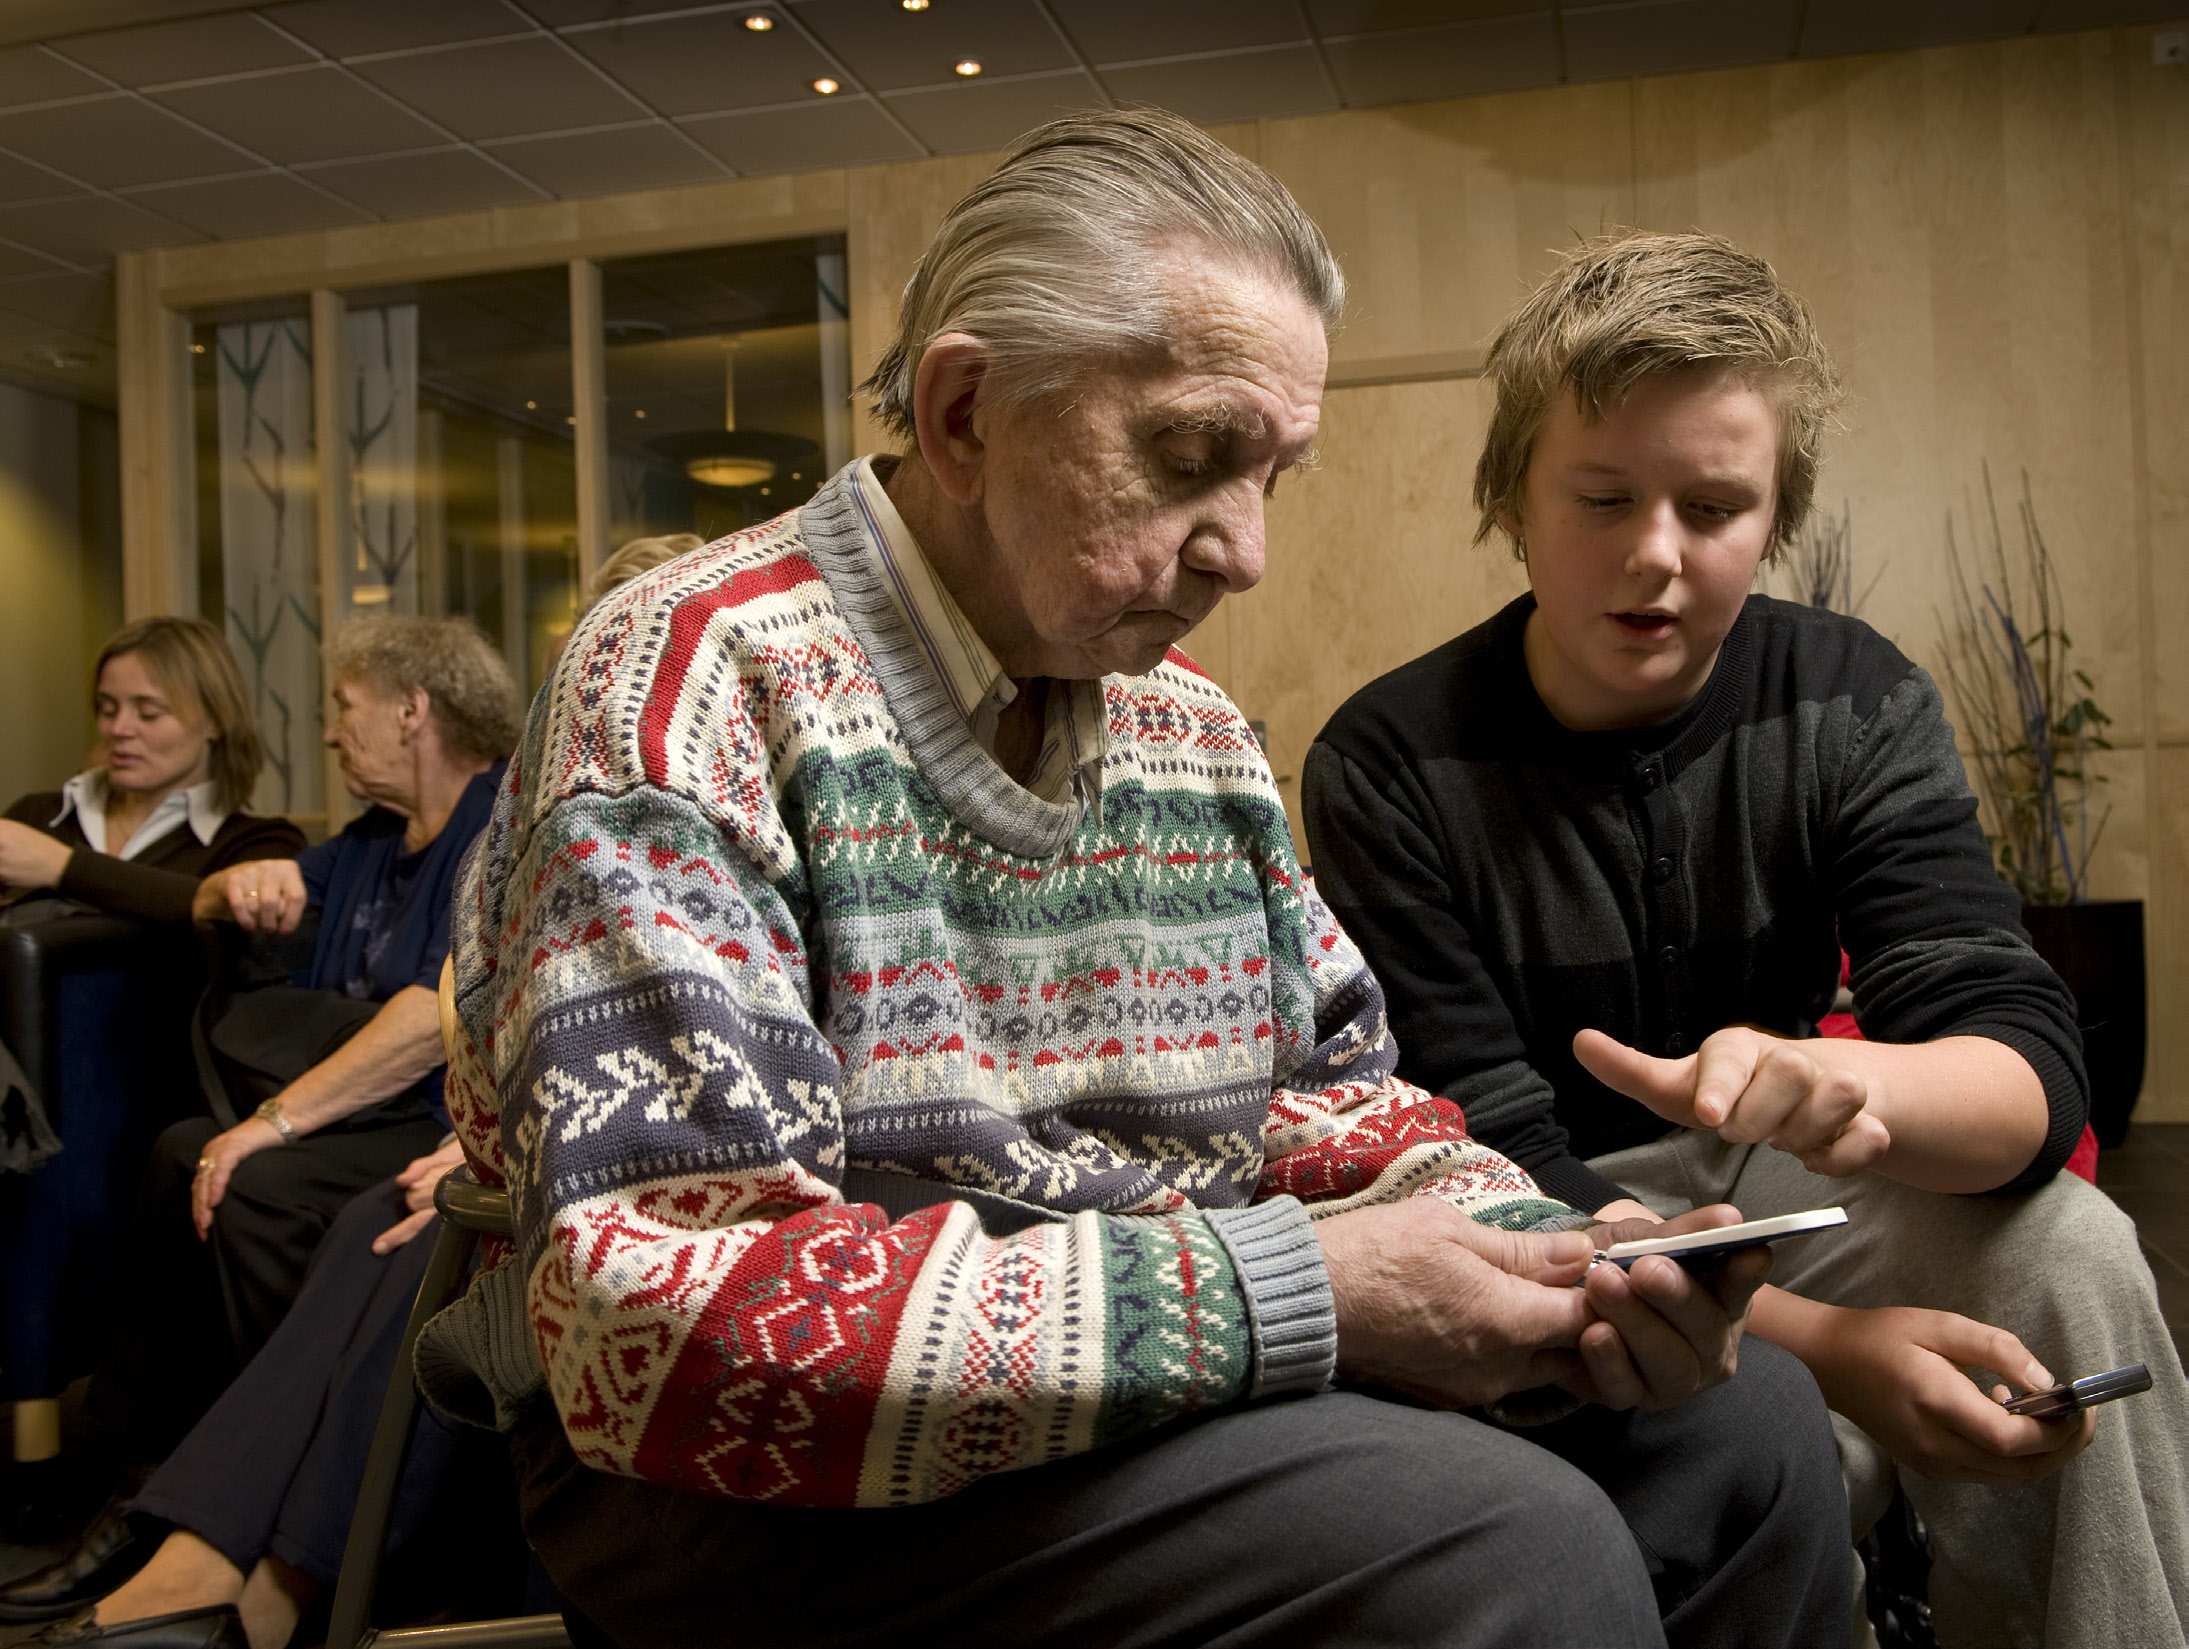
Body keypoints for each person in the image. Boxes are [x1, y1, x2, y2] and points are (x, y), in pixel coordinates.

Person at [421, 112, 1851, 1649]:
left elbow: (1327, 1105)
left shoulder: (1193, 732)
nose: (1242, 549)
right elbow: (667, 1326)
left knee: (1746, 1436)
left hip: (1130, 1367)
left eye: (1274, 477)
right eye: (1187, 457)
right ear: (966, 412)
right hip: (728, 1483)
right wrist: (1295, 1290)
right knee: (1511, 1546)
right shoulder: (693, 680)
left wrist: (1551, 1258)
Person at [1301, 230, 2189, 1648]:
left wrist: (1861, 1087)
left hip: (1791, 1183)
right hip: (1536, 1207)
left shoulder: (1845, 695)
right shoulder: (1390, 763)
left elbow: (2022, 1061)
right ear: (1510, 504)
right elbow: (1485, 1164)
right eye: (1601, 498)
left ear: (1775, 518)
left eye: (1714, 506)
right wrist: (1838, 1355)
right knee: (1748, 1412)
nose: (1655, 556)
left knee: (2070, 1253)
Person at [18, 546, 713, 1649]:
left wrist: (514, 1142)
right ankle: (210, 1558)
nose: (599, 689)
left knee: (380, 1221)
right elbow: (498, 1001)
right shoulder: (543, 819)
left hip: (629, 1154)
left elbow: (690, 1039)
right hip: (517, 1132)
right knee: (346, 1216)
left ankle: (256, 1588)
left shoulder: (660, 817)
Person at [0, 616, 520, 1629]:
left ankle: (229, 1498)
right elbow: (225, 896)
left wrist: (272, 1121)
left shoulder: (495, 830)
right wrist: (242, 881)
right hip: (353, 1116)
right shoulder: (366, 842)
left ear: (414, 710)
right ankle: (135, 1478)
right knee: (180, 1150)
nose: (330, 735)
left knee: (252, 1178)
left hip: (426, 1117)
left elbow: (428, 1023)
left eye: (344, 709)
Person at [0, 617, 303, 923]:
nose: (118, 728)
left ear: (214, 721)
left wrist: (62, 867)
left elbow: (222, 918)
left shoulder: (259, 845)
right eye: (107, 709)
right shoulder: (36, 815)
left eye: (148, 714)